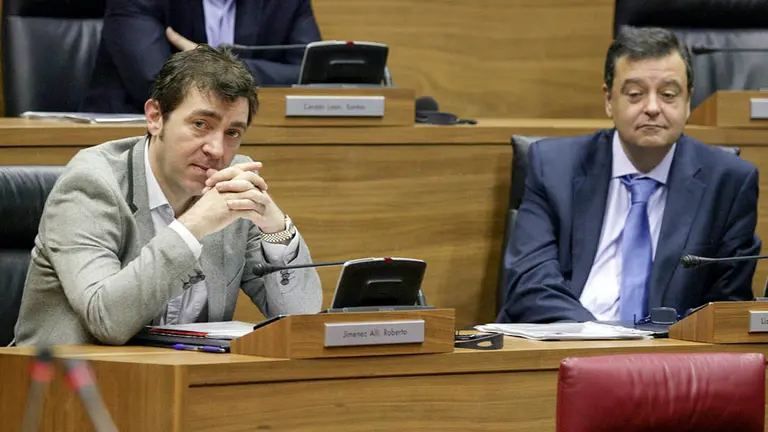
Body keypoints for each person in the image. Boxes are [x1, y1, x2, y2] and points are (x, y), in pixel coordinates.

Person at [14, 45, 322, 346]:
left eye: (233, 133)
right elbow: (106, 319)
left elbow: (301, 322)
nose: (217, 149)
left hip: (181, 383)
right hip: (68, 386)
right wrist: (193, 227)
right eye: (201, 124)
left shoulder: (234, 186)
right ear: (155, 117)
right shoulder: (92, 184)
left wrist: (276, 230)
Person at [497, 27, 761, 324]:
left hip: (667, 359)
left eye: (668, 94)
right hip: (563, 341)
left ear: (688, 101)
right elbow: (529, 283)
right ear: (609, 99)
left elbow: (725, 309)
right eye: (635, 94)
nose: (651, 108)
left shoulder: (728, 182)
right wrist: (598, 338)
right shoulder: (554, 166)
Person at [80, 0, 322, 114]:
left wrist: (209, 60)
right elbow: (153, 80)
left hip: (251, 131)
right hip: (136, 134)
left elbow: (313, 73)